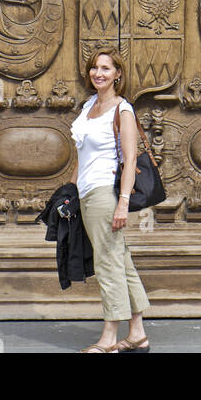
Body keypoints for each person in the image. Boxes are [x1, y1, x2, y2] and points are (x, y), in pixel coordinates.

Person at [69, 47, 151, 353]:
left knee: (107, 264)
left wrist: (123, 203)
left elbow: (130, 160)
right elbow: (81, 153)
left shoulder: (122, 109)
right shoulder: (89, 105)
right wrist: (70, 189)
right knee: (120, 260)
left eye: (105, 68)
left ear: (118, 73)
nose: (98, 73)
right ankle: (138, 334)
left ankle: (109, 338)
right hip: (87, 193)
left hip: (105, 193)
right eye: (94, 68)